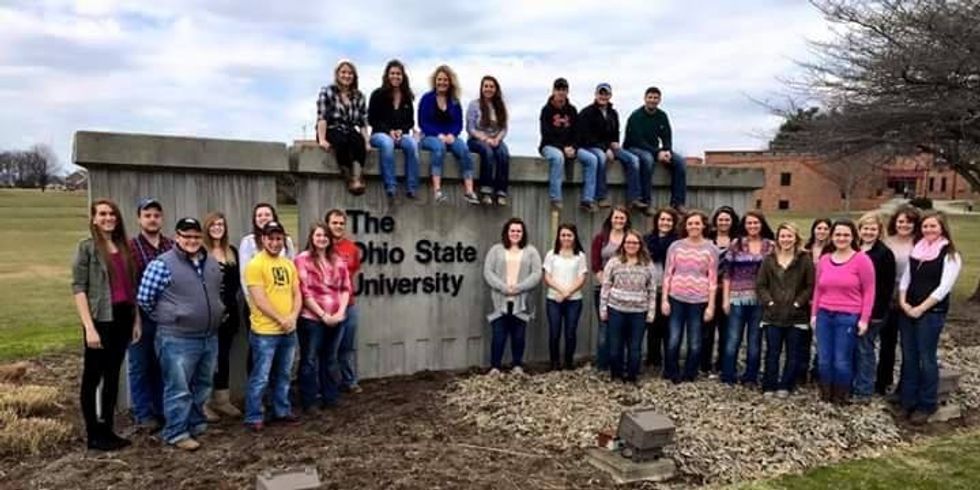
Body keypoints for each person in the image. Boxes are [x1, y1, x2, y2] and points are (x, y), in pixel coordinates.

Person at [137, 217, 224, 451]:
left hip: (208, 335)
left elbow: (216, 292)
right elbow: (145, 299)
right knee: (178, 388)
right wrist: (171, 315)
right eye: (187, 236)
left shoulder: (211, 262)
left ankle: (195, 424)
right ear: (177, 237)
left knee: (203, 385)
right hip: (177, 338)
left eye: (196, 236)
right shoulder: (162, 265)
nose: (192, 240)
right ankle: (176, 432)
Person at [72, 198, 141, 451]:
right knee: (93, 377)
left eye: (112, 213)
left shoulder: (124, 247)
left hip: (123, 316)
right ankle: (94, 433)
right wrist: (89, 327)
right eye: (102, 214)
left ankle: (108, 429)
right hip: (100, 319)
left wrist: (136, 320)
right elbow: (79, 288)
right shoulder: (87, 248)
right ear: (93, 218)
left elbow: (132, 287)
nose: (108, 218)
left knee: (113, 375)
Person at [897, 211, 962, 424]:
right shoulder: (917, 248)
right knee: (909, 356)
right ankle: (907, 400)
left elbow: (944, 288)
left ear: (942, 228)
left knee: (926, 358)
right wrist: (904, 302)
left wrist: (921, 308)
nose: (928, 230)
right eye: (925, 226)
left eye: (933, 226)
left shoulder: (950, 254)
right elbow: (906, 278)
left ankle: (926, 404)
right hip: (908, 309)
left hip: (931, 313)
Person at [244, 221, 302, 431]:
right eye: (271, 238)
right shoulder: (255, 265)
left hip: (288, 330)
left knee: (284, 374)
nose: (275, 243)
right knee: (261, 377)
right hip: (265, 332)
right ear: (263, 239)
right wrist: (281, 319)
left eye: (279, 238)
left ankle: (281, 410)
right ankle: (254, 415)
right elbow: (259, 299)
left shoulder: (288, 264)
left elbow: (297, 293)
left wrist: (293, 317)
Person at [811, 220, 875, 405]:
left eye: (846, 235)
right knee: (824, 359)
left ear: (853, 237)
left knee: (841, 360)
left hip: (847, 316)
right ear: (832, 237)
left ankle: (841, 395)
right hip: (824, 314)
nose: (841, 238)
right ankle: (826, 393)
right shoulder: (824, 260)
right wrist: (814, 314)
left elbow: (869, 290)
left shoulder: (861, 260)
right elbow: (818, 289)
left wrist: (864, 319)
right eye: (838, 234)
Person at [294, 222, 351, 412]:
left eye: (325, 235)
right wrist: (323, 315)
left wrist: (340, 313)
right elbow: (304, 292)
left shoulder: (337, 260)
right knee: (309, 360)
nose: (322, 239)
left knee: (330, 358)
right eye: (318, 235)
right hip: (311, 319)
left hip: (337, 318)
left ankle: (330, 397)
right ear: (311, 237)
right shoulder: (302, 259)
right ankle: (309, 401)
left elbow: (345, 288)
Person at [127, 197, 173, 431]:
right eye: (147, 215)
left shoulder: (171, 246)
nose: (152, 219)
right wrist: (134, 319)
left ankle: (161, 409)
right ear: (139, 219)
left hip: (167, 317)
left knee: (162, 365)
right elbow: (129, 286)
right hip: (140, 317)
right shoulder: (131, 248)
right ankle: (143, 413)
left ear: (161, 219)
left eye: (156, 215)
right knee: (139, 366)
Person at [757, 223, 814, 397]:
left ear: (796, 238)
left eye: (790, 236)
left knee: (793, 353)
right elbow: (761, 285)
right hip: (773, 314)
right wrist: (769, 303)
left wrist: (798, 303)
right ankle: (769, 385)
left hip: (796, 315)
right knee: (772, 352)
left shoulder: (804, 259)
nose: (786, 239)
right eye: (783, 236)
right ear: (777, 238)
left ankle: (786, 385)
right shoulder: (769, 259)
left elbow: (810, 285)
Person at [720, 211, 775, 387]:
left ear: (762, 224)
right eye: (749, 223)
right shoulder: (736, 244)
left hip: (760, 300)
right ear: (744, 225)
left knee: (755, 340)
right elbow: (727, 274)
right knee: (733, 339)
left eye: (756, 223)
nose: (752, 226)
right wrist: (725, 299)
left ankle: (751, 376)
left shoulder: (770, 246)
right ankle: (728, 374)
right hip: (737, 299)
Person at [662, 210, 718, 383]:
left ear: (703, 226)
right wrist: (664, 300)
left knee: (695, 342)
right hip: (676, 298)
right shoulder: (675, 246)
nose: (693, 226)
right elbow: (667, 274)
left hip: (699, 301)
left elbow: (713, 280)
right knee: (673, 339)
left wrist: (711, 306)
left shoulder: (711, 249)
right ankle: (671, 372)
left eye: (697, 223)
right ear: (685, 226)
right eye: (690, 223)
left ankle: (689, 373)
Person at [483, 218, 542, 374]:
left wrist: (519, 288)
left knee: (519, 336)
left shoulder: (531, 251)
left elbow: (536, 274)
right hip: (499, 300)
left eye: (518, 231)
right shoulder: (496, 250)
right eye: (512, 230)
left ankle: (517, 365)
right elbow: (488, 272)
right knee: (498, 336)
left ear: (523, 233)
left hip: (521, 301)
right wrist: (504, 288)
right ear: (507, 232)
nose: (515, 233)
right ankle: (495, 367)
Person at [600, 229, 657, 383]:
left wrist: (651, 312)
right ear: (623, 244)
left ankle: (632, 376)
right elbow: (606, 286)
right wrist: (603, 309)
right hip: (616, 309)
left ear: (640, 245)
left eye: (635, 243)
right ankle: (616, 375)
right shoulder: (614, 262)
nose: (631, 245)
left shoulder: (647, 264)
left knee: (635, 347)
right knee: (615, 347)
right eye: (628, 242)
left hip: (639, 311)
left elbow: (652, 289)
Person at [418, 64, 479, 204]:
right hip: (430, 136)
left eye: (445, 80)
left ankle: (469, 191)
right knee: (439, 148)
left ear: (450, 82)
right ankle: (437, 190)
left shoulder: (454, 101)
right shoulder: (427, 98)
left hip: (450, 136)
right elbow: (423, 122)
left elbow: (458, 123)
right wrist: (438, 134)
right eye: (439, 79)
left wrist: (452, 134)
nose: (442, 82)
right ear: (435, 81)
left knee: (464, 150)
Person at [202, 212, 243, 419]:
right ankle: (202, 403)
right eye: (213, 224)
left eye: (221, 224)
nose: (217, 227)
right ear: (207, 228)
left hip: (230, 313)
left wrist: (227, 308)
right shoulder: (201, 252)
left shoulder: (231, 251)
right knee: (207, 358)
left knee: (223, 356)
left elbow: (236, 284)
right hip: (209, 314)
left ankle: (222, 400)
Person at [853, 212, 896, 403]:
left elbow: (886, 287)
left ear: (879, 231)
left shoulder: (884, 254)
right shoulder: (854, 249)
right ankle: (852, 382)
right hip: (852, 306)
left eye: (873, 229)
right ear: (859, 230)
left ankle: (864, 389)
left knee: (865, 349)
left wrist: (876, 313)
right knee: (853, 348)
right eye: (865, 228)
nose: (868, 232)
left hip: (873, 310)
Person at [623, 87, 688, 212]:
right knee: (647, 160)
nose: (652, 100)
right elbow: (638, 140)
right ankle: (645, 202)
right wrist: (658, 152)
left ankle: (677, 203)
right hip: (634, 148)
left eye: (655, 98)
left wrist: (667, 151)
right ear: (645, 99)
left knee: (680, 162)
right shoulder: (636, 116)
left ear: (659, 100)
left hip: (653, 149)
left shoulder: (662, 116)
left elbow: (666, 136)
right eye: (650, 97)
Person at [576, 83, 641, 209]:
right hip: (590, 146)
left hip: (609, 147)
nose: (603, 96)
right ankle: (601, 196)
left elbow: (616, 132)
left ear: (610, 96)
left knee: (633, 159)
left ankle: (633, 198)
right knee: (601, 157)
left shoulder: (613, 113)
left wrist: (615, 142)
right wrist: (605, 148)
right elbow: (585, 136)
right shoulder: (587, 112)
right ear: (596, 95)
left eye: (606, 94)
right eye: (601, 93)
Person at [878, 205, 921, 396]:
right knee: (887, 343)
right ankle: (883, 380)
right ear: (895, 222)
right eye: (901, 221)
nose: (904, 225)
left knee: (908, 345)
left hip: (911, 299)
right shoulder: (886, 242)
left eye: (909, 222)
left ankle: (906, 384)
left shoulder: (920, 243)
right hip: (889, 298)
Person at [539, 78, 596, 212]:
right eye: (558, 89)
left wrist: (573, 147)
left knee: (592, 159)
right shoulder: (546, 110)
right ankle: (555, 198)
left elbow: (577, 133)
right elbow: (546, 134)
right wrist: (563, 148)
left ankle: (587, 200)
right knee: (558, 157)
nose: (561, 92)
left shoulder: (572, 110)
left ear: (567, 92)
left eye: (564, 90)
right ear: (553, 91)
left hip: (570, 147)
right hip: (549, 146)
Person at [317, 59, 371, 195]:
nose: (347, 76)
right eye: (343, 72)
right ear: (337, 74)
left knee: (357, 141)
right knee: (341, 141)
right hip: (331, 128)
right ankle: (348, 177)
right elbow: (322, 117)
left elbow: (363, 122)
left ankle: (357, 177)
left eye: (350, 73)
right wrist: (322, 140)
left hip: (349, 128)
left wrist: (367, 141)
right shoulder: (327, 91)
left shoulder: (359, 96)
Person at [368, 59, 420, 200]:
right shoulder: (377, 94)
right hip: (380, 134)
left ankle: (412, 187)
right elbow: (372, 119)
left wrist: (401, 131)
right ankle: (390, 186)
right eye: (392, 73)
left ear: (403, 76)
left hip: (400, 134)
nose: (395, 76)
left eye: (398, 74)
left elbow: (410, 121)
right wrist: (388, 131)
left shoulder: (406, 97)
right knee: (387, 143)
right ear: (387, 75)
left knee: (412, 144)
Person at [325, 209, 363, 393]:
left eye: (341, 223)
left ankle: (349, 381)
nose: (338, 226)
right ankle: (329, 385)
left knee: (347, 346)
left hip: (349, 304)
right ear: (327, 224)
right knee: (328, 348)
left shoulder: (352, 248)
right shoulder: (321, 246)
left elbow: (353, 271)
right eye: (334, 223)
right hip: (327, 306)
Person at [590, 206, 632, 371]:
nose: (619, 221)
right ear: (611, 219)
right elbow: (595, 264)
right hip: (603, 288)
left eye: (622, 218)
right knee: (604, 326)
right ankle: (602, 365)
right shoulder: (601, 238)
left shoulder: (631, 238)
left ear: (626, 220)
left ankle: (620, 363)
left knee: (623, 329)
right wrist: (606, 284)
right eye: (616, 217)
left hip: (626, 291)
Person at [543, 224, 588, 370]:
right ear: (558, 236)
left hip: (574, 300)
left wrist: (568, 292)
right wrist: (561, 291)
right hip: (554, 299)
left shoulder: (580, 256)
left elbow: (582, 278)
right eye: (563, 235)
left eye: (569, 235)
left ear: (574, 237)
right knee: (554, 332)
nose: (566, 238)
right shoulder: (551, 254)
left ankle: (568, 362)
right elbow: (547, 277)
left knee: (570, 333)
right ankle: (554, 363)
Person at [701, 206, 739, 375]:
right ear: (715, 221)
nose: (723, 222)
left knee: (726, 330)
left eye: (727, 220)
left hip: (729, 290)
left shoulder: (737, 242)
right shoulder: (707, 240)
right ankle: (704, 364)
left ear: (732, 222)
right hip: (708, 290)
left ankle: (723, 363)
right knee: (706, 330)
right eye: (721, 219)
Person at [643, 207, 679, 369]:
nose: (665, 223)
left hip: (671, 290)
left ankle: (669, 360)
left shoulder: (677, 242)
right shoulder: (647, 240)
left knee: (668, 327)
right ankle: (653, 359)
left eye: (669, 220)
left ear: (673, 223)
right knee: (652, 325)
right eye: (662, 219)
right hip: (651, 288)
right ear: (657, 221)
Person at [467, 75, 510, 205]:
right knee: (488, 152)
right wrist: (485, 139)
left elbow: (504, 128)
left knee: (503, 153)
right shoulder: (474, 105)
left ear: (496, 89)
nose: (488, 89)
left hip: (495, 139)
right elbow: (470, 128)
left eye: (491, 87)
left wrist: (497, 139)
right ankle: (486, 190)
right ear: (482, 88)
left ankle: (501, 192)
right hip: (476, 139)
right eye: (486, 86)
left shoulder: (500, 106)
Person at [800, 217, 832, 384]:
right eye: (819, 228)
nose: (822, 231)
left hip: (825, 298)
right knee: (803, 337)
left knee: (822, 338)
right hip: (805, 298)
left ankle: (818, 370)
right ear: (813, 230)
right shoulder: (805, 250)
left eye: (825, 229)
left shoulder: (833, 251)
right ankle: (801, 370)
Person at [240, 203, 296, 293]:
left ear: (274, 217)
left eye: (267, 215)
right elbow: (244, 273)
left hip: (283, 292)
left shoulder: (287, 240)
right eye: (259, 215)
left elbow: (292, 267)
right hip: (259, 293)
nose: (263, 218)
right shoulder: (248, 241)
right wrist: (250, 297)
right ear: (255, 219)